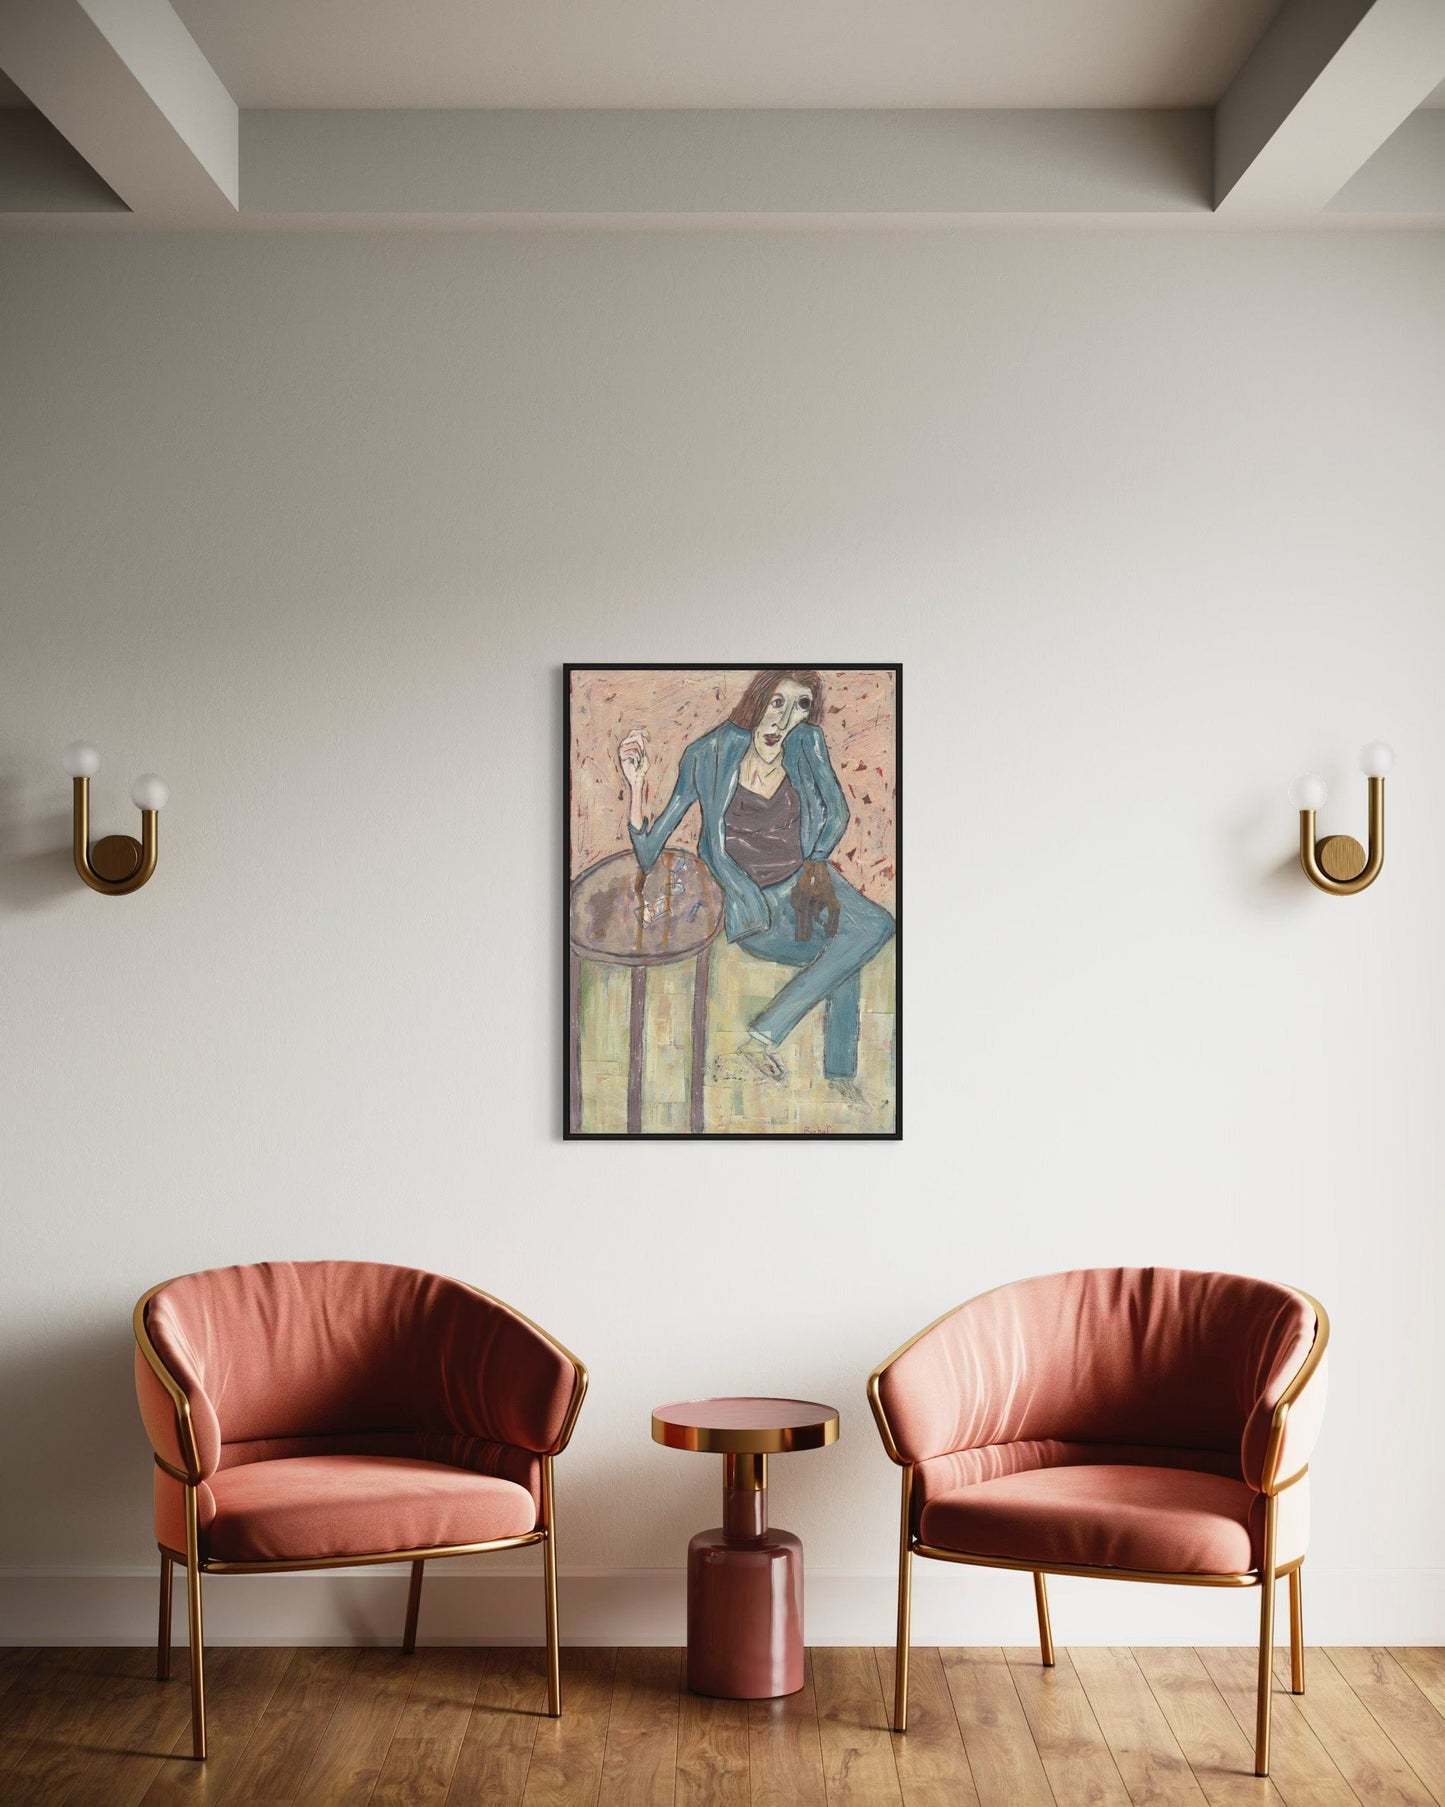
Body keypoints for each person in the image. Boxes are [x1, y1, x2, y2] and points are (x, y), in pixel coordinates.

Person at [619, 670, 894, 1103]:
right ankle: (835, 1075)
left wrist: (817, 861)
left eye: (801, 706)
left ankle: (769, 1044)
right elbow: (649, 850)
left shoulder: (807, 743)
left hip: (810, 881)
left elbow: (837, 811)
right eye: (777, 702)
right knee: (848, 951)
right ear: (757, 700)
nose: (784, 720)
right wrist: (636, 785)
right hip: (754, 902)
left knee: (875, 926)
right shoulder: (707, 754)